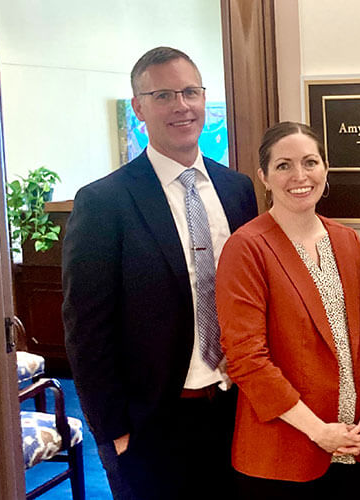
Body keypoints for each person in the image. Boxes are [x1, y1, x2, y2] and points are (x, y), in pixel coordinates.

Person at [62, 47, 257, 499]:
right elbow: (86, 329)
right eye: (164, 95)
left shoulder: (237, 189)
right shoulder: (103, 202)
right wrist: (113, 433)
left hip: (236, 410)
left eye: (190, 92)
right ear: (139, 107)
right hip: (152, 425)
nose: (181, 106)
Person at [214, 121, 360, 499]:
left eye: (310, 162)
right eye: (283, 165)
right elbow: (247, 359)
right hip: (282, 453)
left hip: (352, 444)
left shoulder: (346, 240)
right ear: (263, 177)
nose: (300, 176)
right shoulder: (247, 248)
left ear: (326, 169)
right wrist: (318, 431)